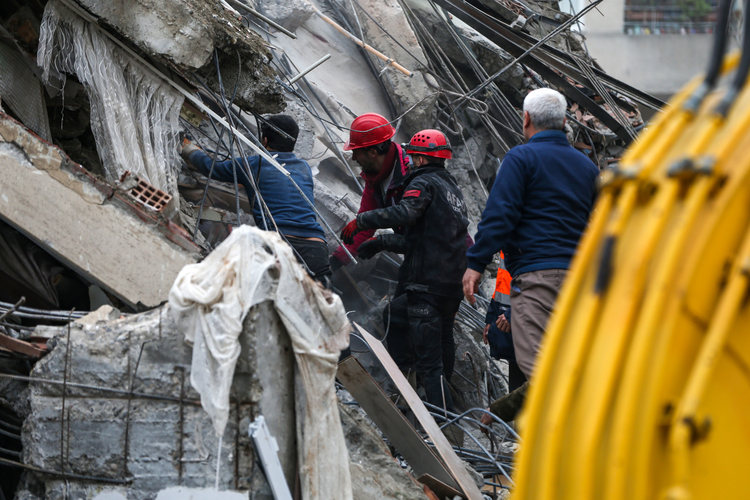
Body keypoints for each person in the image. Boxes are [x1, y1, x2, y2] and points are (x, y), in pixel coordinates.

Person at [463, 88, 599, 382]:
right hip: (581, 281)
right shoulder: (587, 167)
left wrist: (475, 263)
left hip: (537, 279)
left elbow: (500, 216)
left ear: (526, 119)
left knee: (539, 373)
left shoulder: (521, 158)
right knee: (572, 365)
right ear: (564, 121)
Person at [341, 129, 469, 417]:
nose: (409, 160)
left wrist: (362, 221)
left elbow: (405, 213)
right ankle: (419, 392)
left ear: (422, 158)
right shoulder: (453, 192)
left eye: (413, 156)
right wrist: (382, 241)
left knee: (430, 361)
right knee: (396, 316)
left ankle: (437, 423)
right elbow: (428, 239)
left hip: (426, 285)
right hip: (450, 284)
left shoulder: (422, 183)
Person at [181, 114, 332, 285]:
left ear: (265, 140)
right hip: (317, 247)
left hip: (280, 243)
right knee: (315, 303)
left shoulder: (255, 164)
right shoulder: (304, 168)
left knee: (252, 297)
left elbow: (212, 168)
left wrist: (189, 148)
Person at [330, 112, 410, 270]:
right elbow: (363, 228)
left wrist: (383, 241)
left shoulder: (413, 173)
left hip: (444, 252)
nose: (353, 158)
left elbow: (414, 217)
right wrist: (335, 262)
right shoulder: (374, 180)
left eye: (356, 151)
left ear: (373, 152)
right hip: (415, 254)